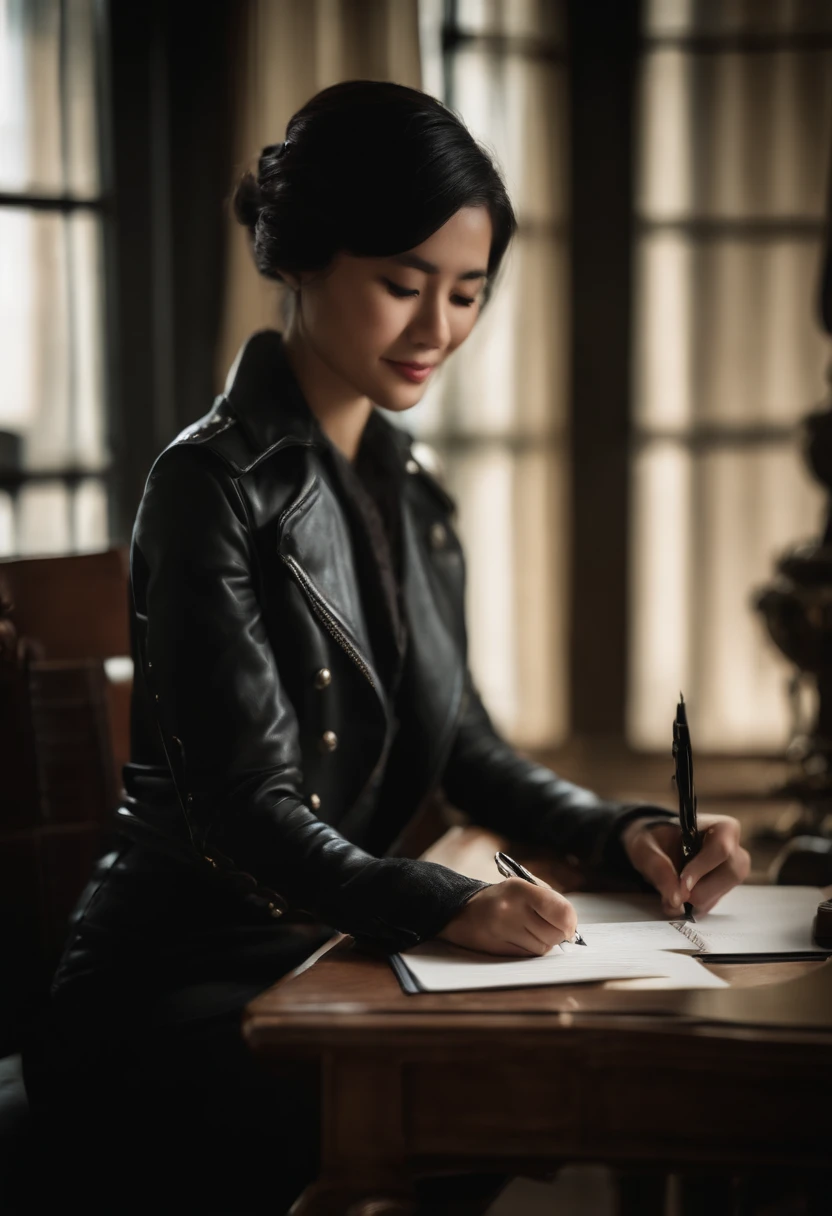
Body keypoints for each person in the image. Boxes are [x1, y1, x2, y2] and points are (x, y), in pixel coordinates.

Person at [23, 80, 749, 1213]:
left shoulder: (415, 501)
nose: (438, 330)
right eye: (403, 285)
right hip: (176, 987)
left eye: (467, 293)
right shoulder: (208, 483)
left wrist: (634, 832)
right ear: (305, 258)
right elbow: (242, 807)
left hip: (337, 952)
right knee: (488, 1091)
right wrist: (439, 902)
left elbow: (470, 751)